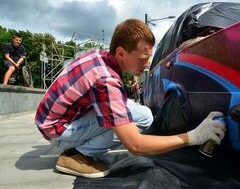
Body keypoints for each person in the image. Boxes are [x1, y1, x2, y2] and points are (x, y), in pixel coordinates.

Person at [35, 19, 226, 178]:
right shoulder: (106, 80)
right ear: (121, 53)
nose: (146, 65)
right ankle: (75, 155)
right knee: (135, 122)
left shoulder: (99, 56)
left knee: (140, 114)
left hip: (56, 120)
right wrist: (192, 137)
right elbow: (135, 145)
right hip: (59, 131)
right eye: (143, 58)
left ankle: (78, 147)